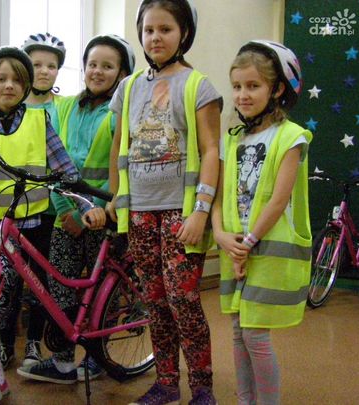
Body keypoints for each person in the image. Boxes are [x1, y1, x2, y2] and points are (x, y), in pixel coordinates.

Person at [0, 45, 106, 404]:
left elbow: (65, 169)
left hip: (18, 225)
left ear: (26, 86)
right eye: (0, 79)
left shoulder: (38, 121)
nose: (9, 85)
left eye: (17, 80)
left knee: (1, 301)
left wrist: (85, 201)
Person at [106, 1, 221, 404]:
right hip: (139, 211)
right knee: (153, 302)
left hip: (181, 211)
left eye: (165, 29)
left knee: (183, 301)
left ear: (184, 33)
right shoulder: (128, 87)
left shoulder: (198, 86)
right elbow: (119, 146)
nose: (155, 37)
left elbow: (211, 150)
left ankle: (202, 388)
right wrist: (115, 197)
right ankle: (167, 383)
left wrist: (201, 211)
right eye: (148, 30)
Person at [17, 34, 136, 385]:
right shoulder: (64, 107)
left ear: (122, 73)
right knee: (61, 288)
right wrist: (66, 211)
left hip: (103, 217)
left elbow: (121, 169)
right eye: (92, 64)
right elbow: (52, 160)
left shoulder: (121, 114)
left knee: (100, 292)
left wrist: (94, 212)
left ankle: (98, 357)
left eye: (107, 66)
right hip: (65, 214)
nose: (97, 71)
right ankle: (63, 359)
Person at [211, 40, 312, 405]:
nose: (242, 94)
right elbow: (221, 195)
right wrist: (221, 235)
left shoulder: (291, 137)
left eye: (253, 86)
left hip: (266, 249)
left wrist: (248, 243)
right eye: (237, 86)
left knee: (255, 334)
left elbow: (278, 199)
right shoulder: (233, 138)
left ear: (278, 89)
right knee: (239, 331)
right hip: (236, 247)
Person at [0, 32, 68, 372]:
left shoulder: (64, 107)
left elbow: (65, 157)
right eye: (36, 64)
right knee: (8, 280)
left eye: (51, 66)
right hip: (13, 208)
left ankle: (34, 344)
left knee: (41, 281)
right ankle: (3, 342)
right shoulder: (11, 105)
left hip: (49, 210)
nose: (43, 71)